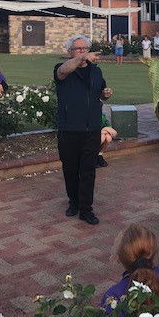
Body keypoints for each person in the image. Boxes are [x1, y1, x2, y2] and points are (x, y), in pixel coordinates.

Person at [54, 35, 112, 225]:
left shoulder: (96, 71)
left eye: (84, 48)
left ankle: (86, 209)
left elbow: (101, 95)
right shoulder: (62, 69)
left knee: (88, 171)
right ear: (69, 52)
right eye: (77, 49)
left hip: (91, 128)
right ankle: (74, 202)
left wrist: (106, 94)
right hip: (69, 128)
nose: (81, 51)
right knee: (70, 169)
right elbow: (63, 71)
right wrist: (82, 59)